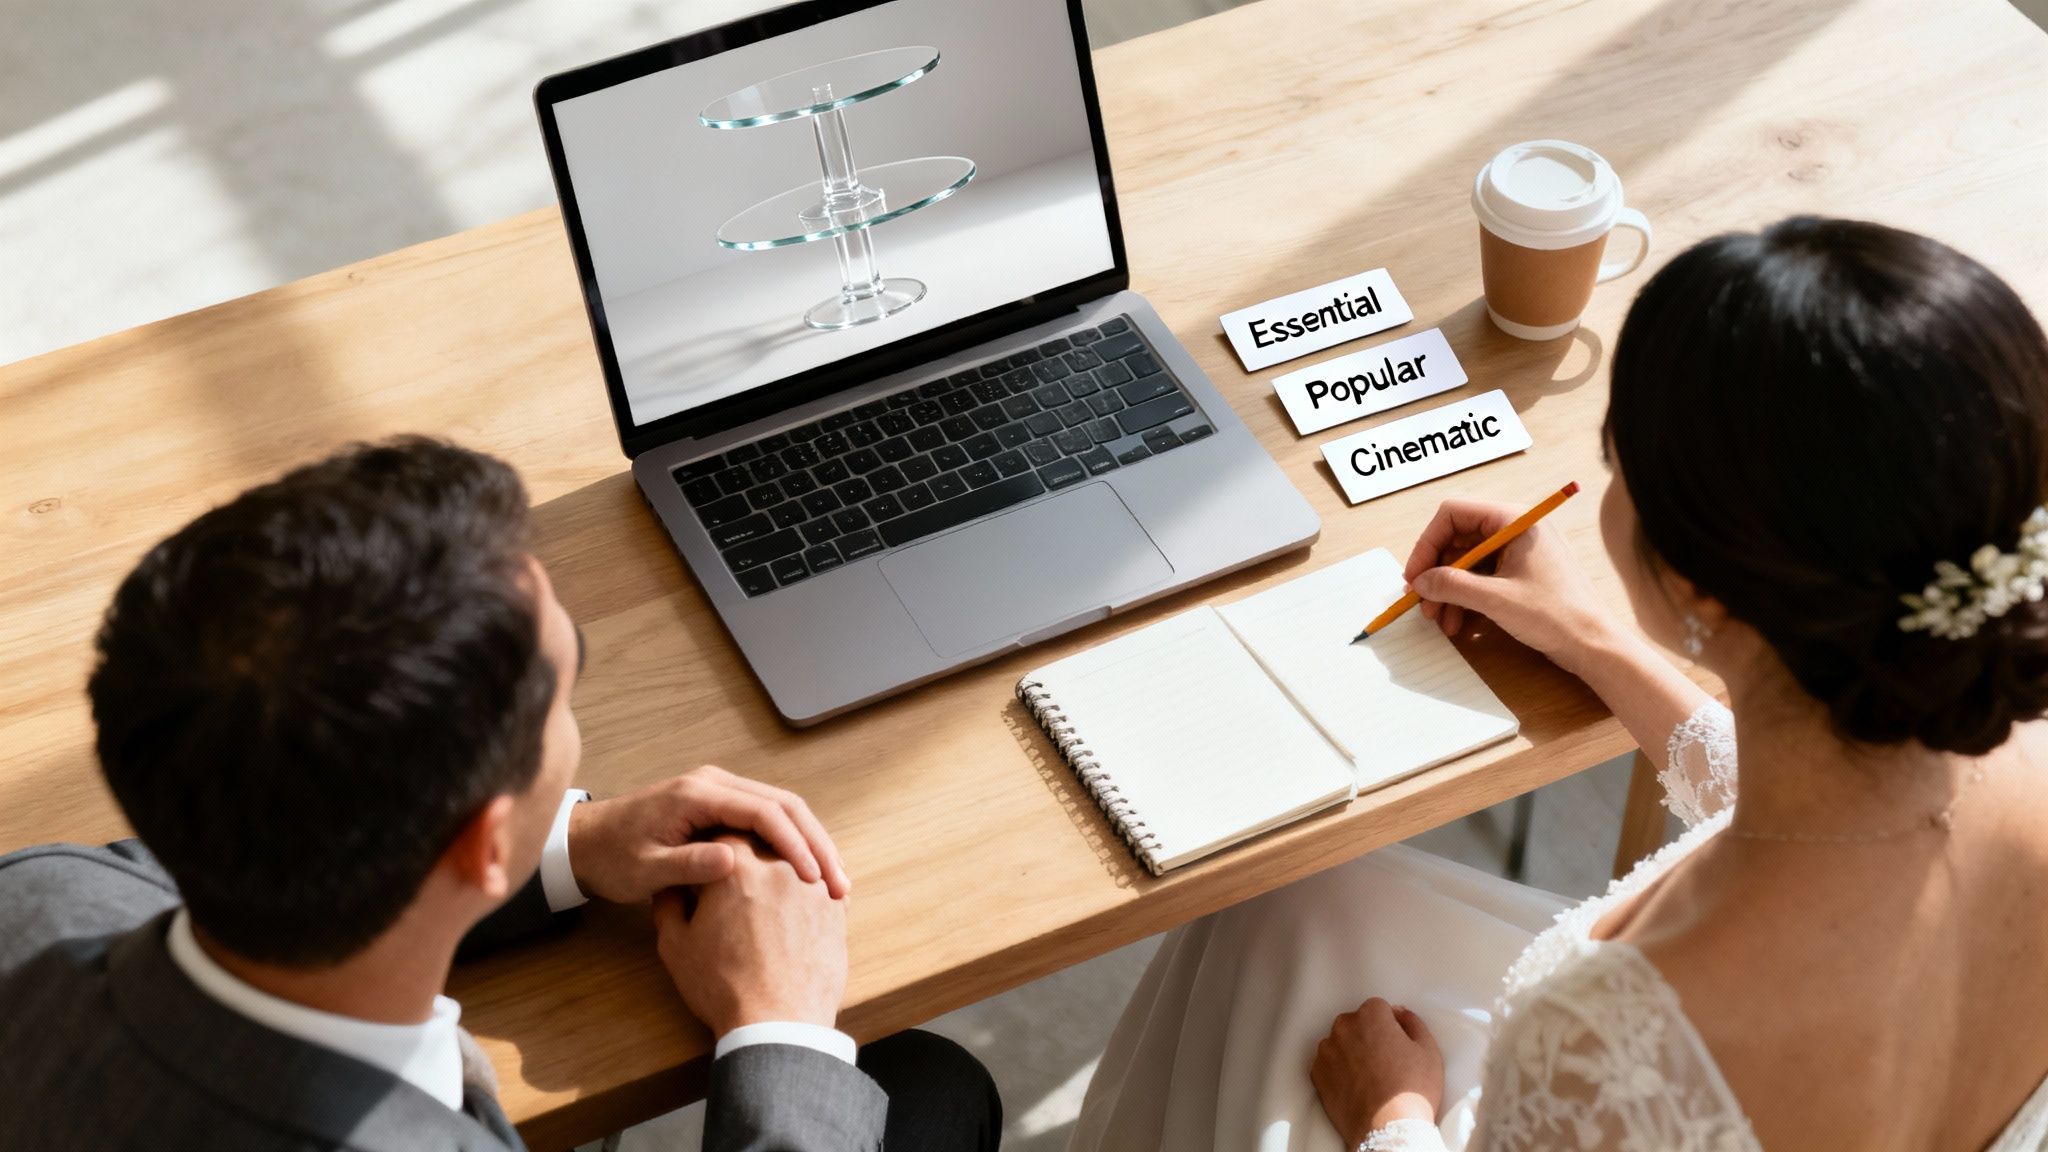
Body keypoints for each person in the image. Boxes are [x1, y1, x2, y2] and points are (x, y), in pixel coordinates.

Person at [1068, 217, 2048, 1151]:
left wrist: (1393, 1114)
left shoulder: (1604, 1037)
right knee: (1293, 901)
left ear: (1695, 580)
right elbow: (1817, 805)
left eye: (1614, 463)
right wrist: (1592, 642)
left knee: (1269, 952)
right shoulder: (1983, 730)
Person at [0, 438, 1001, 1151]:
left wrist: (565, 844)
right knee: (931, 1091)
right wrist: (779, 1023)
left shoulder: (35, 898)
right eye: (567, 695)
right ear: (478, 842)